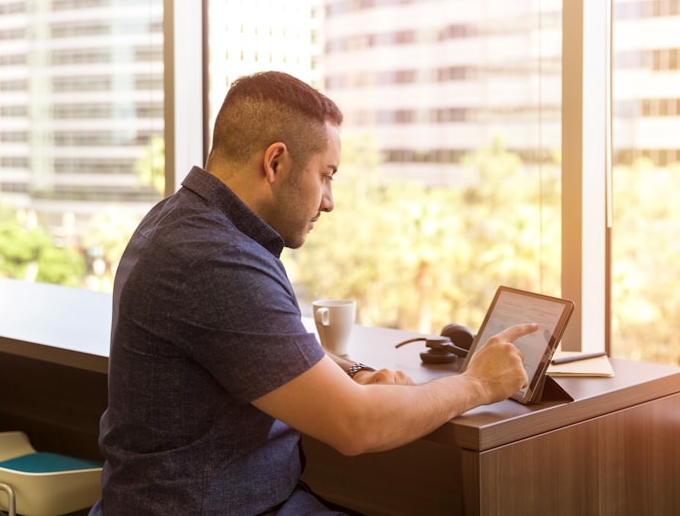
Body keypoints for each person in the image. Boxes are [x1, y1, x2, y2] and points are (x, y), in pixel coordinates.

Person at [90, 71, 537, 515]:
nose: (328, 200)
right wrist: (476, 384)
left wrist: (353, 373)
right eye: (326, 175)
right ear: (275, 162)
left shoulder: (179, 219)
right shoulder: (217, 259)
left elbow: (253, 350)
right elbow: (356, 426)